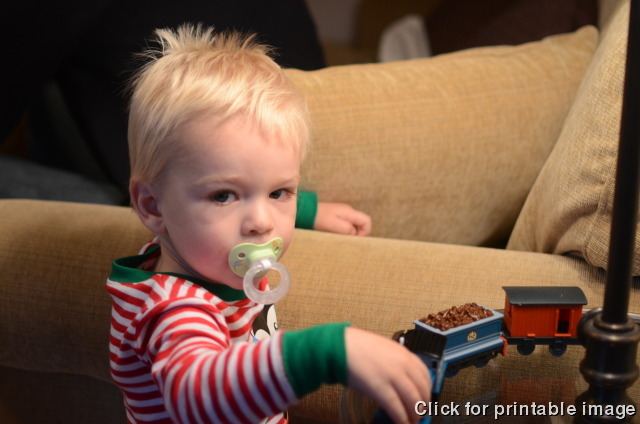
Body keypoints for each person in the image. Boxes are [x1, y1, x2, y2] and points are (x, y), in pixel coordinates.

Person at [106, 25, 429, 424]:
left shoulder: (196, 248)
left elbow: (252, 186)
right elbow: (197, 399)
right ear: (152, 205)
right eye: (223, 196)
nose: (261, 223)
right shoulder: (176, 309)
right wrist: (325, 351)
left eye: (278, 193)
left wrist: (308, 211)